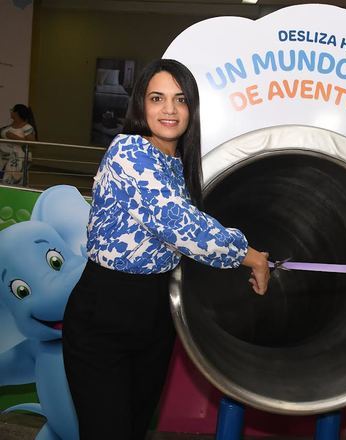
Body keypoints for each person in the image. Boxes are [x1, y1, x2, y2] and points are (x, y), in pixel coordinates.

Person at [62, 59, 270, 440]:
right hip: (104, 314)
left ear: (192, 108)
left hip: (154, 315)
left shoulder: (175, 163)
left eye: (180, 99)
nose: (169, 110)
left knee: (135, 428)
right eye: (157, 98)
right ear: (141, 105)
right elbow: (178, 224)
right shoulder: (129, 150)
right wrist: (251, 254)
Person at [0, 104, 37, 184]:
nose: (10, 112)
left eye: (12, 111)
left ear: (16, 113)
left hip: (18, 158)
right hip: (4, 157)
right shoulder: (9, 126)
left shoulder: (27, 127)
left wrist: (14, 137)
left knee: (14, 180)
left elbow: (32, 144)